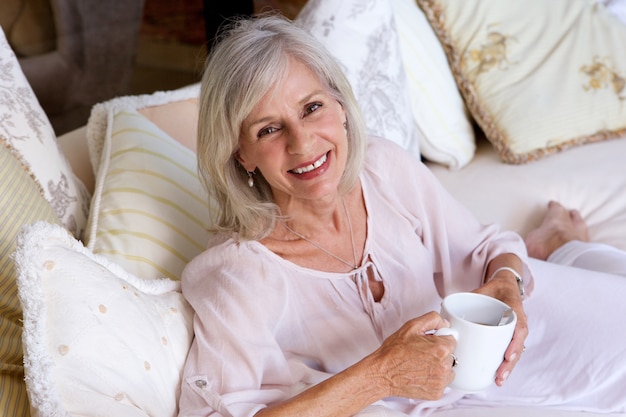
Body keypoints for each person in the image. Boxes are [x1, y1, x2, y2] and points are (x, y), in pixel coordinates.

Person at [178, 14, 626, 417]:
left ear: (340, 106)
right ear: (241, 154)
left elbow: (485, 248)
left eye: (312, 108)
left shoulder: (382, 166)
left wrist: (508, 284)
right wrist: (381, 376)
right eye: (269, 129)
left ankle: (560, 248)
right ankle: (564, 248)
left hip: (491, 348)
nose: (302, 143)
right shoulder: (237, 276)